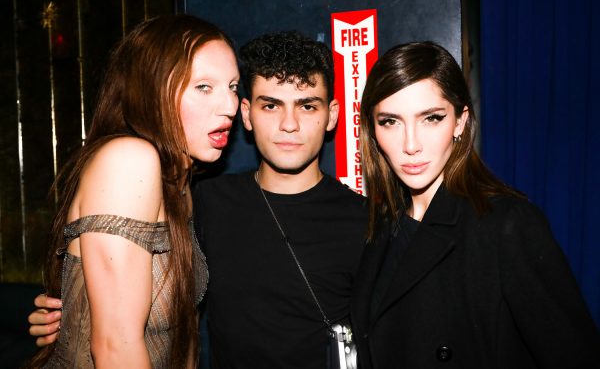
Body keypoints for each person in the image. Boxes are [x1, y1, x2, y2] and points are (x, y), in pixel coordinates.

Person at [29, 31, 367, 369]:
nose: (289, 124)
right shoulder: (206, 199)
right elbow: (117, 330)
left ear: (332, 115)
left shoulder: (366, 221)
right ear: (247, 114)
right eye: (270, 105)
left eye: (307, 106)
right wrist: (75, 309)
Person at [352, 41, 600, 368]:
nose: (410, 145)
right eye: (390, 121)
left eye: (431, 118)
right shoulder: (381, 227)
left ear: (460, 121)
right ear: (372, 129)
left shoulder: (506, 225)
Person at [27, 14, 239, 368]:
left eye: (232, 86)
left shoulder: (181, 181)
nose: (230, 106)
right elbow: (115, 348)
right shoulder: (129, 160)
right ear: (151, 91)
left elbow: (181, 336)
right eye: (204, 87)